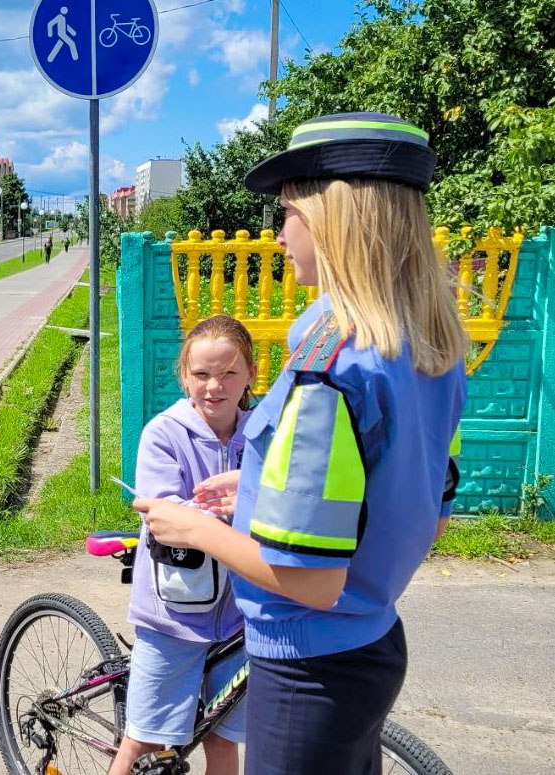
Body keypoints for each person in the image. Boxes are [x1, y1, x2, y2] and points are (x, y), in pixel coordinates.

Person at [133, 112, 468, 774]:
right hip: (371, 642)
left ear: (334, 218)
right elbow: (416, 501)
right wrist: (256, 488)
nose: (278, 233)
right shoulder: (424, 341)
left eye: (287, 212)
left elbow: (308, 580)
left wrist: (191, 527)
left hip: (306, 670)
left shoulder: (330, 360)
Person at [109, 315, 253, 775]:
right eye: (202, 374)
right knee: (144, 740)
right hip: (172, 614)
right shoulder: (164, 433)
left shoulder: (263, 436)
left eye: (229, 372)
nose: (215, 386)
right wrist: (243, 510)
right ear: (184, 377)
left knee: (223, 738)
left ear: (250, 373)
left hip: (238, 617)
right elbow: (166, 515)